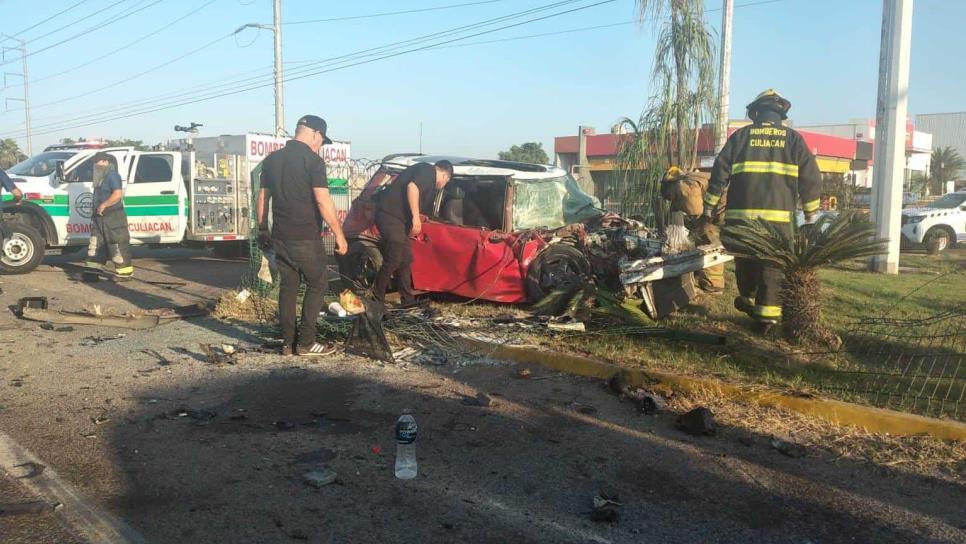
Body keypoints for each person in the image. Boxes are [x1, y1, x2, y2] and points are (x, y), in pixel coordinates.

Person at [704, 89, 821, 332]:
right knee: (772, 267)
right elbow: (811, 178)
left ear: (756, 112)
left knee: (745, 259)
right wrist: (811, 215)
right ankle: (767, 319)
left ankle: (747, 298)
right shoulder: (793, 139)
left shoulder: (741, 136)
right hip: (778, 224)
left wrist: (709, 207)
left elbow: (719, 172)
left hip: (742, 221)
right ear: (780, 113)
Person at [256, 115, 348, 357]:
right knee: (318, 283)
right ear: (315, 134)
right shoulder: (313, 161)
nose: (321, 145)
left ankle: (288, 343)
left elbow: (263, 196)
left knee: (288, 286)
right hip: (306, 235)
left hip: (280, 236)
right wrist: (339, 234)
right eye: (321, 140)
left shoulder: (272, 160)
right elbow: (323, 200)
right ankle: (306, 343)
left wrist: (262, 227)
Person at [371, 160, 453, 305]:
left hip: (400, 220)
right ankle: (376, 297)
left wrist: (417, 216)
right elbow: (412, 187)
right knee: (394, 257)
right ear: (445, 176)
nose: (442, 186)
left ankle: (407, 299)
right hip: (390, 216)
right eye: (446, 182)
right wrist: (415, 218)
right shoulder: (429, 171)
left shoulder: (425, 173)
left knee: (406, 258)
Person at [660, 166, 725, 293]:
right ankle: (703, 275)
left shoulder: (684, 187)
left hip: (720, 211)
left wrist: (694, 228)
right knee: (703, 236)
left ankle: (713, 284)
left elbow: (697, 212)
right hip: (724, 208)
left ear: (670, 185)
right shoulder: (691, 178)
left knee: (707, 239)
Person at [85, 152, 134, 279]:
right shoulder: (100, 177)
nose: (96, 165)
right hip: (99, 218)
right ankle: (92, 273)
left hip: (113, 217)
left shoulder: (112, 175)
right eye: (95, 163)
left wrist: (104, 205)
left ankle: (125, 274)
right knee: (95, 244)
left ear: (105, 162)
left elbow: (117, 194)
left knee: (117, 245)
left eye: (98, 162)